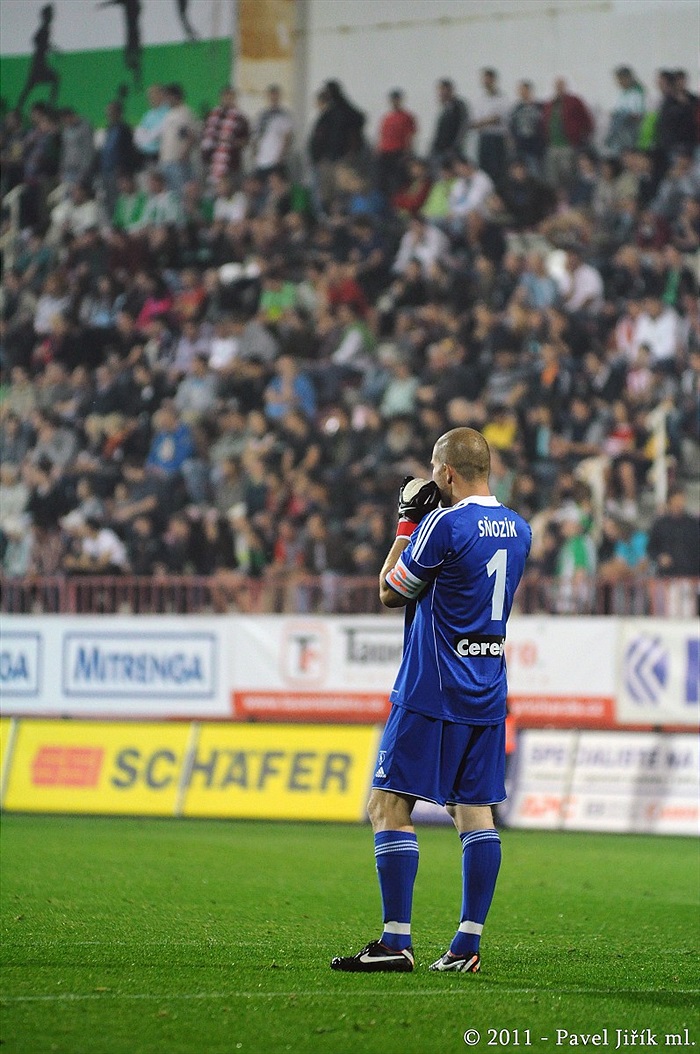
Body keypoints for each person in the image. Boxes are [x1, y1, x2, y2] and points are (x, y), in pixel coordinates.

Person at [331, 427, 531, 973]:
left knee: (387, 806)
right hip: (487, 689)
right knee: (476, 812)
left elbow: (390, 591)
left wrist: (406, 522)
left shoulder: (442, 522)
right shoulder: (519, 529)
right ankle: (466, 947)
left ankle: (396, 941)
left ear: (446, 474)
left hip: (431, 688)